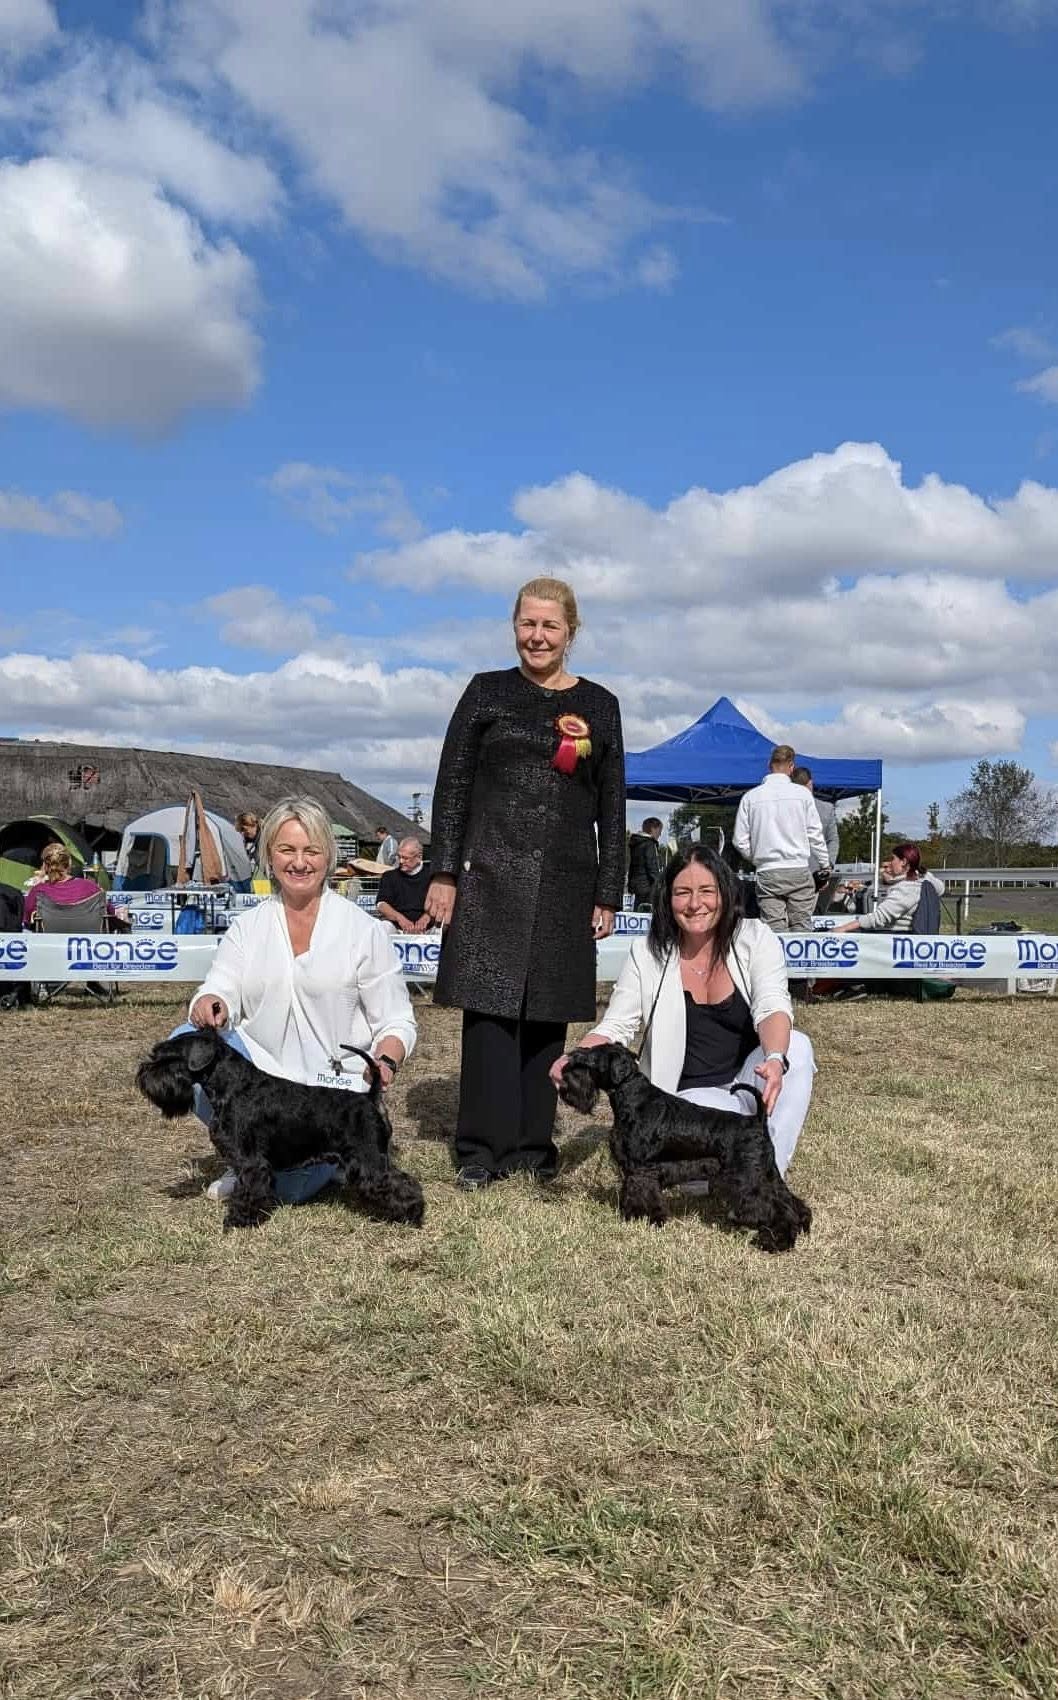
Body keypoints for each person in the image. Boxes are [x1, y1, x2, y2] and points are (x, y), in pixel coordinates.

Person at [425, 575, 626, 1190]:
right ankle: (480, 1150)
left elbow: (612, 806)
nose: (537, 636)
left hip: (567, 882)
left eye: (549, 626)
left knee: (546, 1018)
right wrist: (443, 872)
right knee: (488, 1016)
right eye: (527, 624)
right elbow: (452, 787)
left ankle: (533, 1149)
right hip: (488, 878)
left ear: (571, 632)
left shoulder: (600, 705)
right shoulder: (485, 692)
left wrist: (608, 890)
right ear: (515, 626)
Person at [180, 796, 417, 1205]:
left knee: (288, 1191)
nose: (300, 862)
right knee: (184, 1040)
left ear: (328, 856)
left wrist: (387, 1059)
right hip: (264, 1083)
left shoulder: (363, 930)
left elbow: (397, 1020)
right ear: (269, 855)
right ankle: (246, 1154)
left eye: (312, 851)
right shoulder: (247, 927)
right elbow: (220, 986)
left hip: (330, 1095)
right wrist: (211, 1000)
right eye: (287, 850)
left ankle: (323, 1157)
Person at [550, 845, 814, 1177]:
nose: (694, 904)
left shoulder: (755, 937)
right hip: (689, 1098)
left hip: (750, 1077)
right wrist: (575, 1056)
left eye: (706, 891)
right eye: (682, 893)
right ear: (667, 898)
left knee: (796, 1048)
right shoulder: (647, 952)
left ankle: (768, 1173)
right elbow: (616, 1025)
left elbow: (772, 1006)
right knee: (697, 1146)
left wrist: (774, 1058)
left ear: (725, 892)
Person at [733, 745, 831, 932]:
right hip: (798, 869)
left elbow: (739, 840)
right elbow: (815, 834)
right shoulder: (803, 795)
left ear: (769, 765)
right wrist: (825, 865)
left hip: (768, 871)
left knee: (773, 930)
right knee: (801, 927)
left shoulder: (750, 797)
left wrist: (757, 857)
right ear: (792, 767)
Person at [834, 842, 944, 935]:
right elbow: (940, 889)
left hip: (893, 936)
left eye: (893, 859)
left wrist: (842, 929)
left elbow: (879, 917)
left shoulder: (907, 888)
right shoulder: (917, 882)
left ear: (903, 862)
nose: (891, 863)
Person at [22, 844, 103, 926]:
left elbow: (28, 919)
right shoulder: (90, 887)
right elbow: (107, 913)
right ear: (69, 863)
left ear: (45, 866)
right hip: (86, 932)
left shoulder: (38, 890)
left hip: (49, 933)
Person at [375, 836, 432, 933]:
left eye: (405, 858)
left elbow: (440, 903)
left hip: (428, 927)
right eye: (399, 857)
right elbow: (381, 904)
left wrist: (427, 917)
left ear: (419, 857)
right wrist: (399, 918)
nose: (401, 861)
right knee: (383, 928)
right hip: (396, 927)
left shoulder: (432, 877)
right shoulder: (389, 876)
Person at [627, 817, 666, 910]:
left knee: (638, 912)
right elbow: (652, 867)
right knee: (650, 914)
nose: (660, 834)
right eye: (659, 830)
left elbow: (632, 866)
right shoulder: (650, 844)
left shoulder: (636, 843)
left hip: (637, 888)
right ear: (653, 829)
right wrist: (661, 884)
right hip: (648, 889)